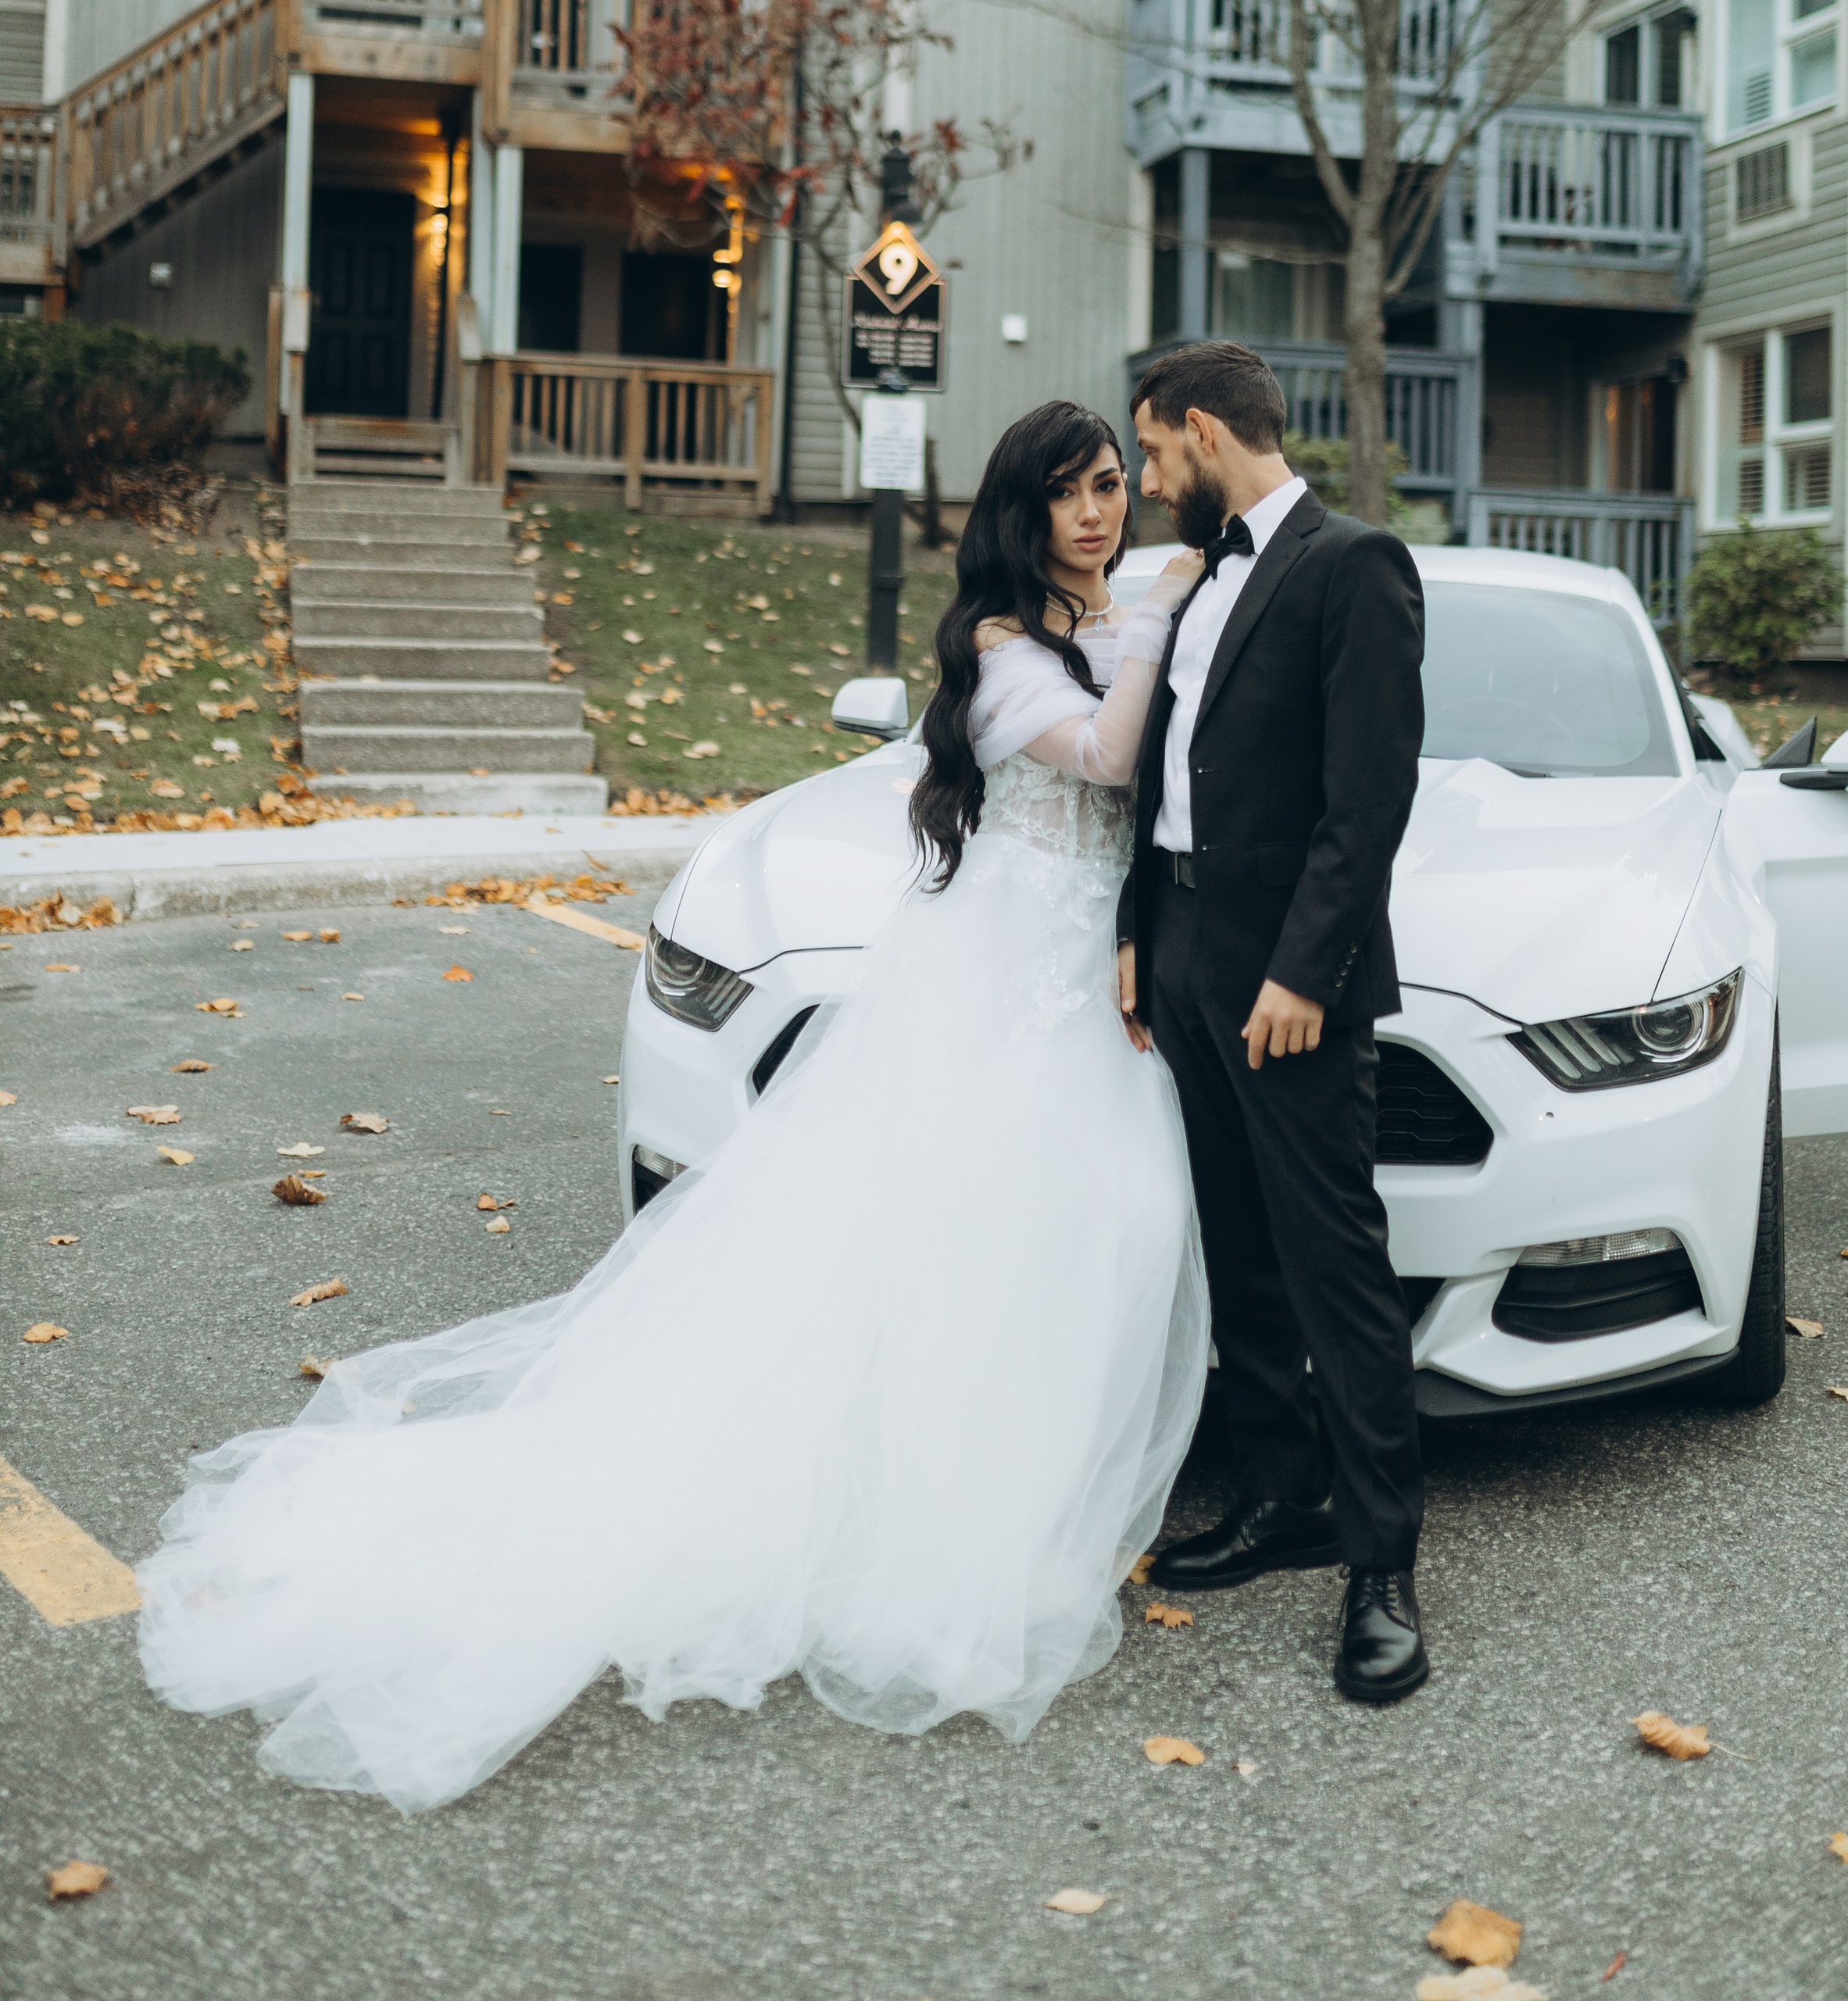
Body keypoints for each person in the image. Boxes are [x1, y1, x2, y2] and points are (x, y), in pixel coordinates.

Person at [135, 403, 1208, 1815]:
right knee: (976, 1214)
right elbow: (1113, 764)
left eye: (1114, 485)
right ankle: (937, 1512)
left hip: (1087, 966)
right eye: (1071, 492)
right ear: (1022, 511)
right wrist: (1166, 609)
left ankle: (1022, 1484)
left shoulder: (1106, 615)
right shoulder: (1008, 649)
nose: (1100, 511)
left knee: (1081, 1222)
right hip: (1011, 968)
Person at [1119, 340, 1431, 1705]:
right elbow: (1165, 778)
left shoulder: (1354, 565)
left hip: (1287, 982)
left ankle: (1382, 1566)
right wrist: (1140, 924)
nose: (1142, 480)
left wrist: (1306, 973)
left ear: (1202, 431)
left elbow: (1369, 803)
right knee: (1237, 1246)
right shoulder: (1197, 581)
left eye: (1151, 453)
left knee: (1331, 1261)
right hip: (1184, 954)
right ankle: (1279, 1497)